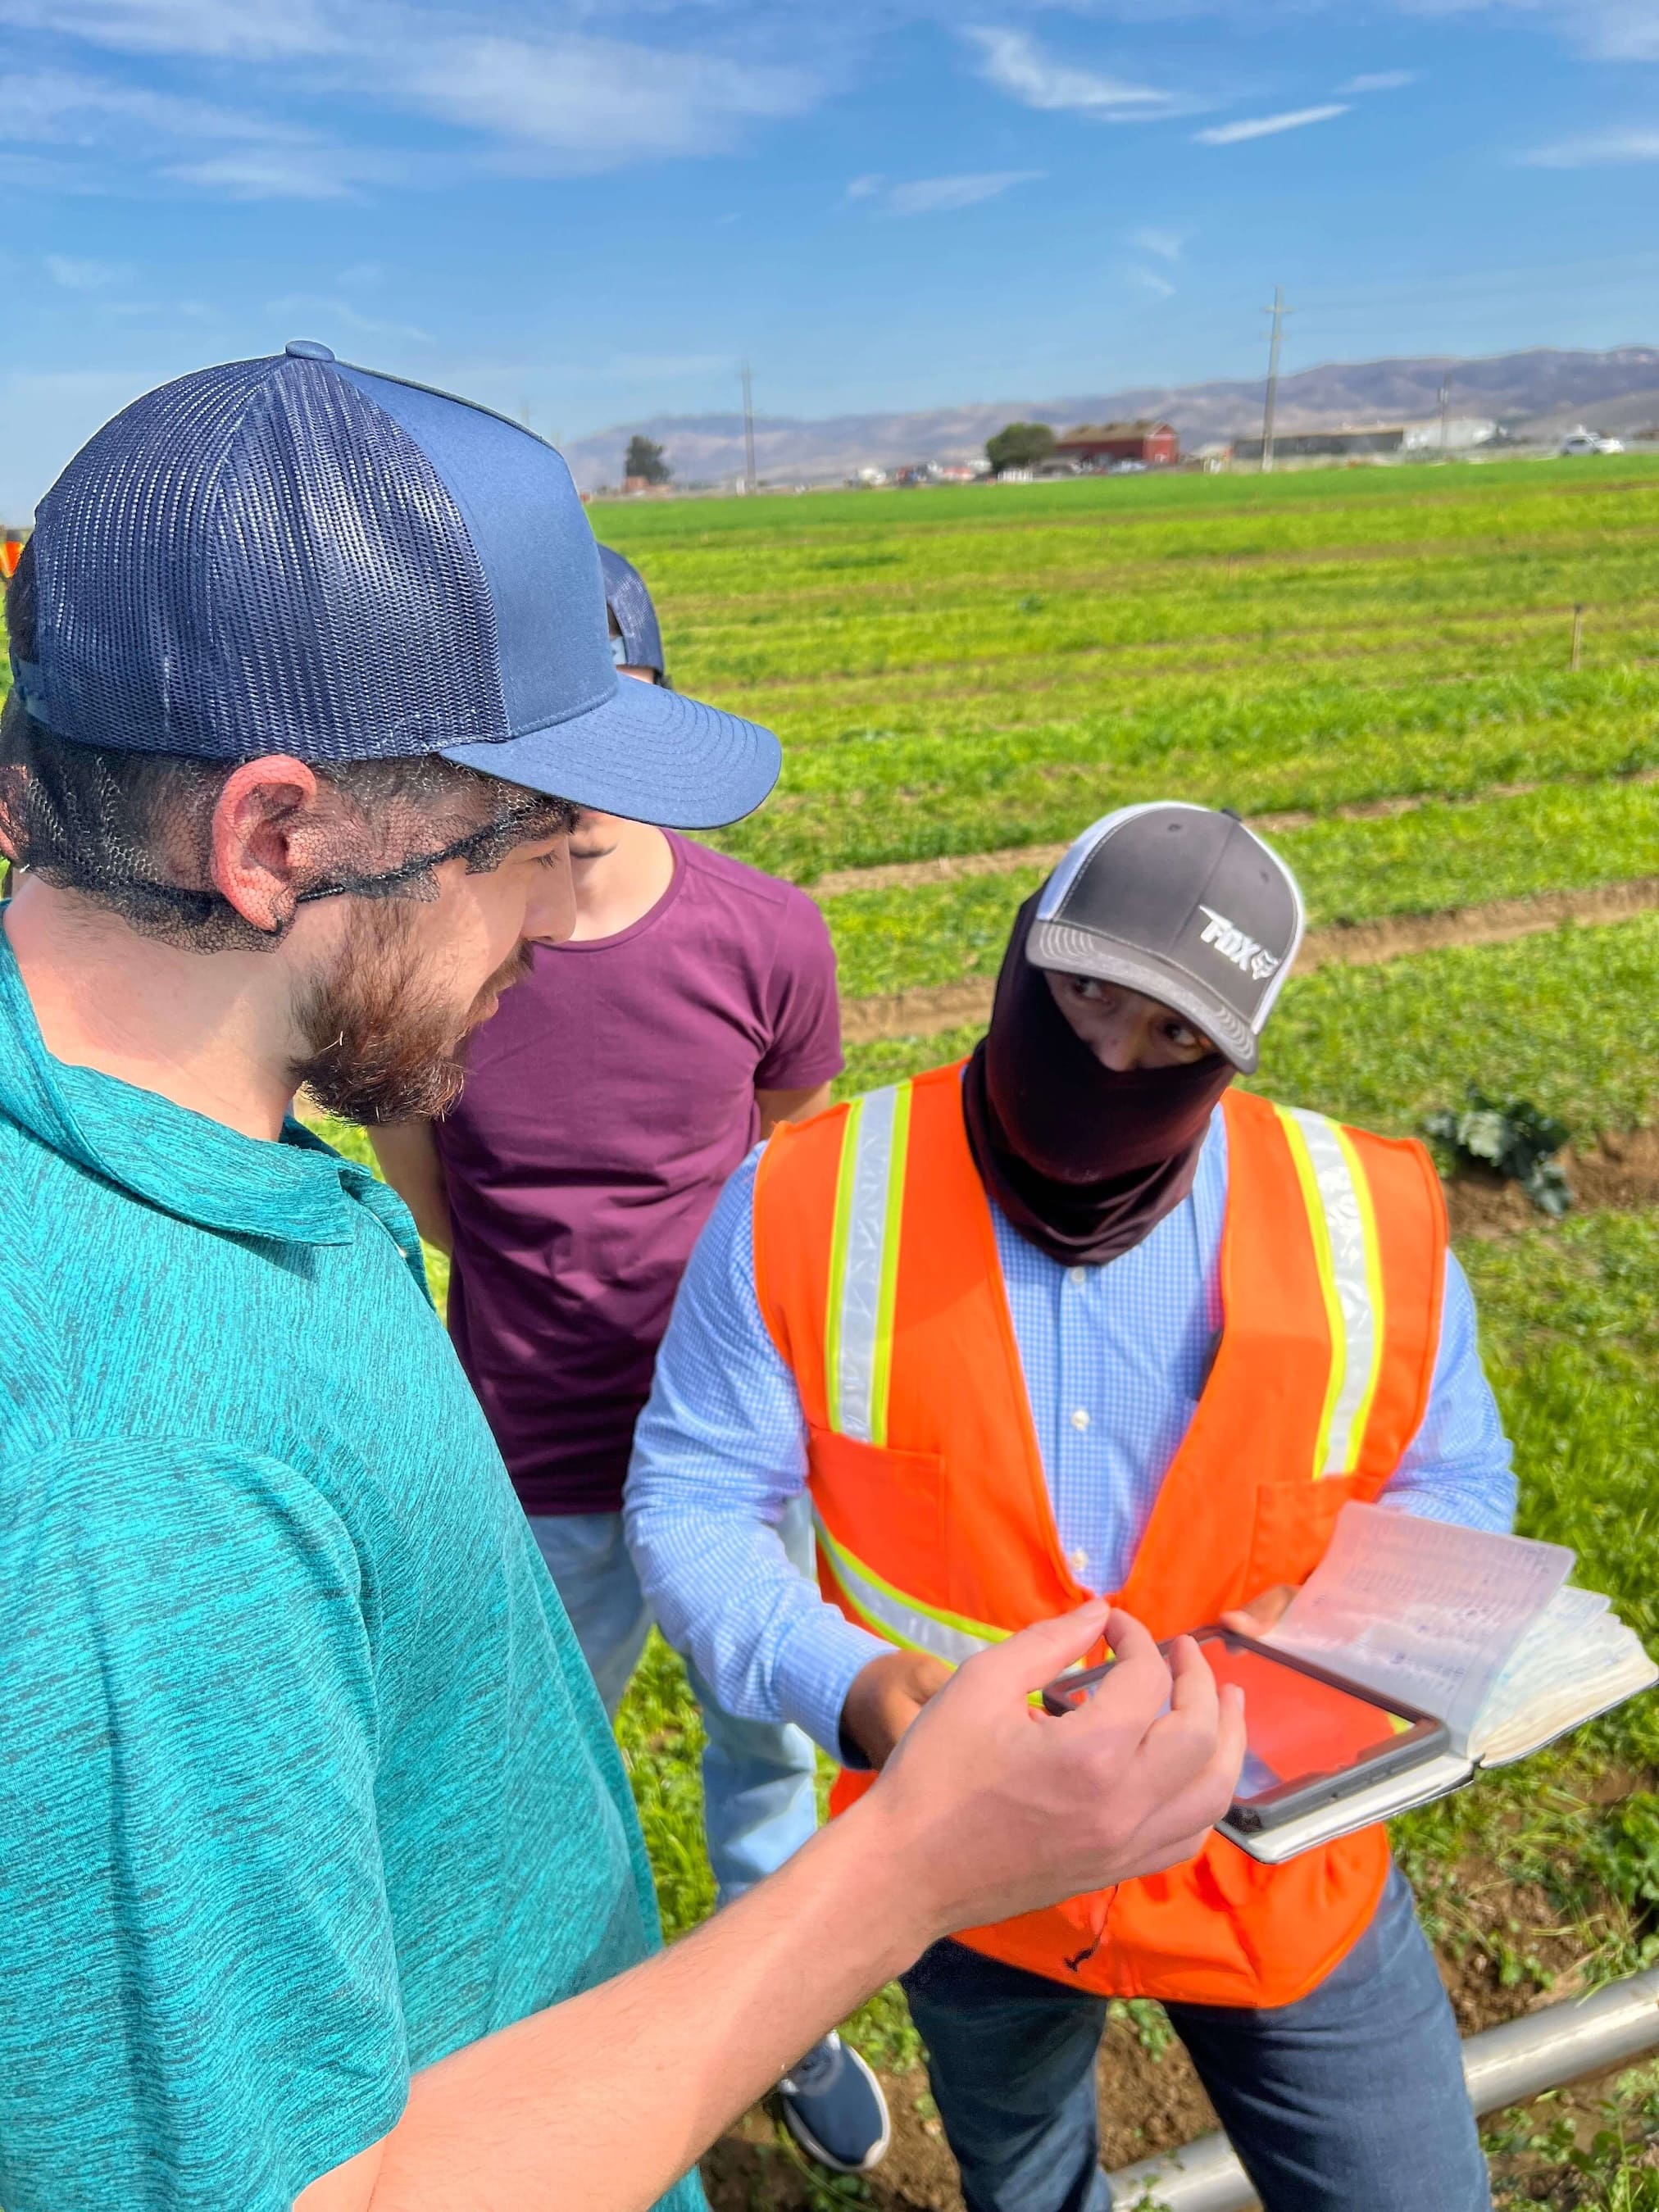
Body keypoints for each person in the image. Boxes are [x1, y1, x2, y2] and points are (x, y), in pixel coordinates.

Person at [0, 345, 1244, 2212]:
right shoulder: (132, 1479)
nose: (570, 912)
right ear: (271, 840)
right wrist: (908, 1869)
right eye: (530, 838)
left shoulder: (180, 1147)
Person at [628, 802, 1516, 2212]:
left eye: (1173, 1036)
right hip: (970, 1869)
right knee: (1026, 2179)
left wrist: (1352, 1624)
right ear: (1023, 950)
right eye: (1088, 994)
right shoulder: (807, 1201)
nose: (1110, 1061)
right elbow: (692, 1498)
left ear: (1232, 1051)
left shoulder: (1367, 1220)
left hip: (1278, 1869)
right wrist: (852, 1687)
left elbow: (1456, 1482)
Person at [370, 543, 883, 2173]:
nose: (584, 775)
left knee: (767, 1738)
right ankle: (523, 2042)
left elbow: (785, 1161)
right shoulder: (444, 955)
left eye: (618, 713)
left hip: (737, 1451)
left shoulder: (767, 936)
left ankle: (779, 2019)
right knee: (519, 1770)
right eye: (545, 731)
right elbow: (434, 1187)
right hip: (533, 1450)